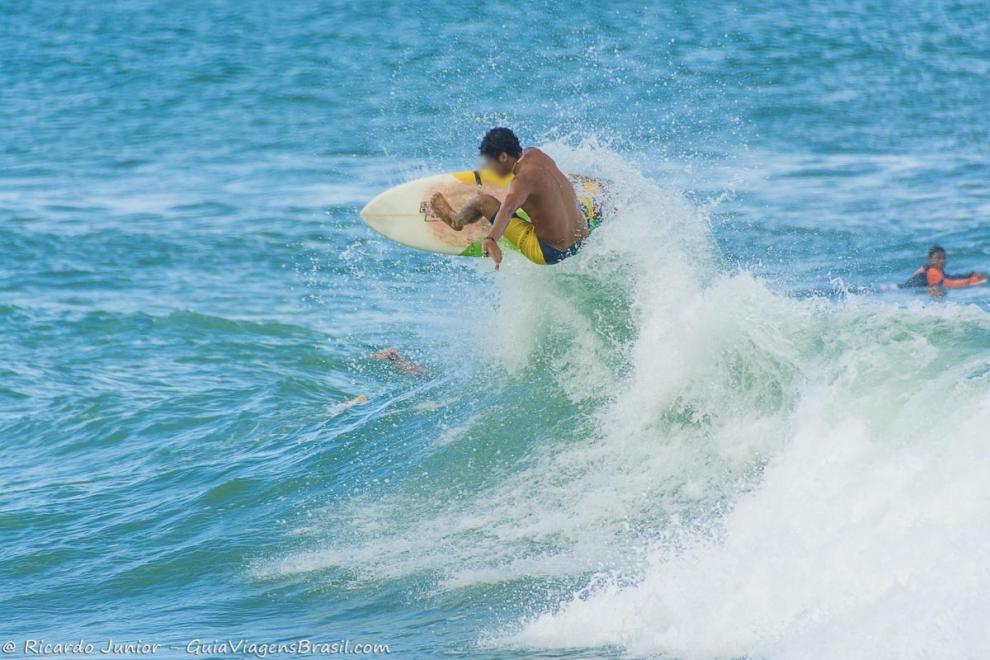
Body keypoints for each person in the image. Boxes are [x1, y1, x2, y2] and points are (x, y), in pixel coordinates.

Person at [429, 127, 588, 270]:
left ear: (504, 157)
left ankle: (455, 221)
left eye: (490, 162)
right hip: (581, 239)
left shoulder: (521, 182)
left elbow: (508, 209)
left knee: (483, 202)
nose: (487, 168)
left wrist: (491, 239)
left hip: (550, 251)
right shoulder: (537, 154)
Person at [901, 245, 987, 294]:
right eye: (938, 258)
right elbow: (949, 283)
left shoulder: (933, 270)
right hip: (901, 290)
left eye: (944, 258)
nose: (942, 261)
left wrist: (971, 274)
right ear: (930, 259)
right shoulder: (932, 272)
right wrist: (970, 281)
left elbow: (950, 277)